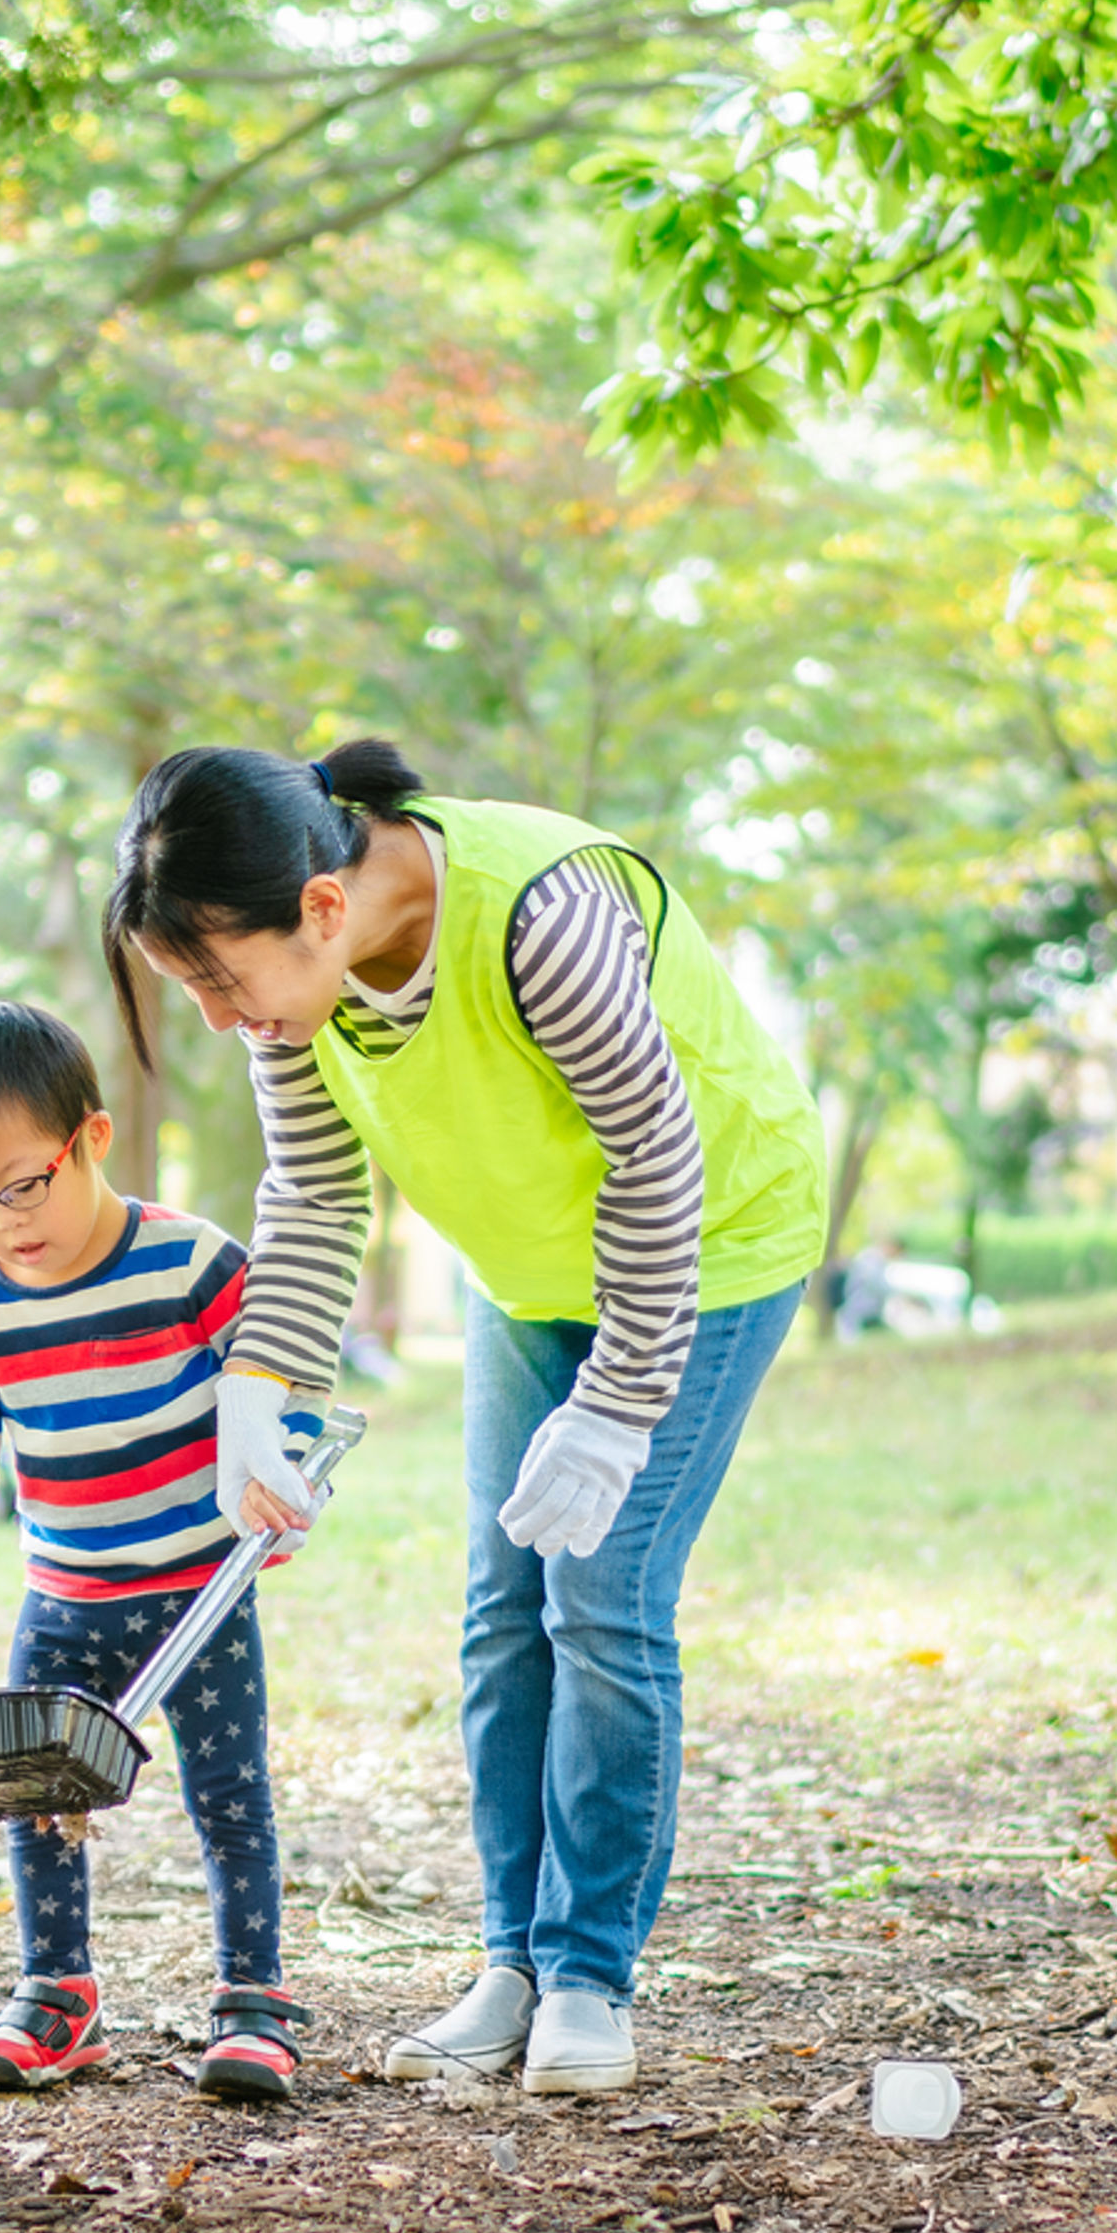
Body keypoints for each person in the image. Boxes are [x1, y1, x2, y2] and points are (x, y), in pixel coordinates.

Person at [102, 738, 823, 2100]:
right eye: (184, 985)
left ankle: (590, 1972)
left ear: (321, 906)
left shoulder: (539, 920)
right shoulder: (300, 1003)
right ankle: (513, 1960)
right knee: (503, 1607)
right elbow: (313, 1199)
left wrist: (618, 1405)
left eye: (216, 976)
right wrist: (261, 1393)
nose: (213, 1013)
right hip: (532, 1265)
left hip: (711, 1241)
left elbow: (657, 1154)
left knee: (601, 1598)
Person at [0, 1001, 313, 2101]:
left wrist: (285, 1469)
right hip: (62, 1598)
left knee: (229, 1794)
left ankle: (253, 2000)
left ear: (91, 1136)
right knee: (39, 1797)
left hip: (197, 1596)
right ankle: (57, 1993)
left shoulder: (193, 1265)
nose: (0, 1221)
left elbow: (281, 1392)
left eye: (20, 1184)